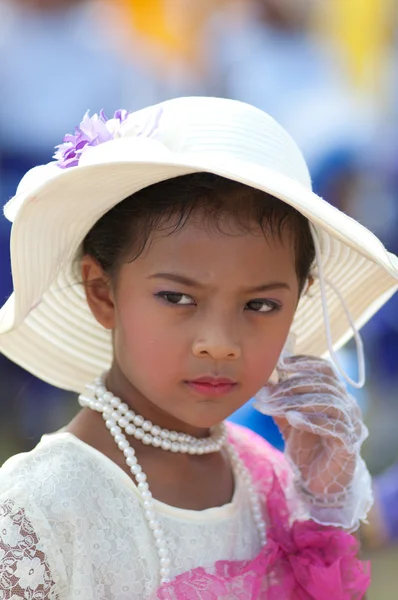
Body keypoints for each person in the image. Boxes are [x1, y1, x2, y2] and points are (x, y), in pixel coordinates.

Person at [0, 97, 396, 599]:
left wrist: (323, 503)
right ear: (103, 293)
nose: (219, 344)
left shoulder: (271, 485)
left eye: (260, 306)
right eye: (178, 297)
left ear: (299, 302)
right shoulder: (38, 510)